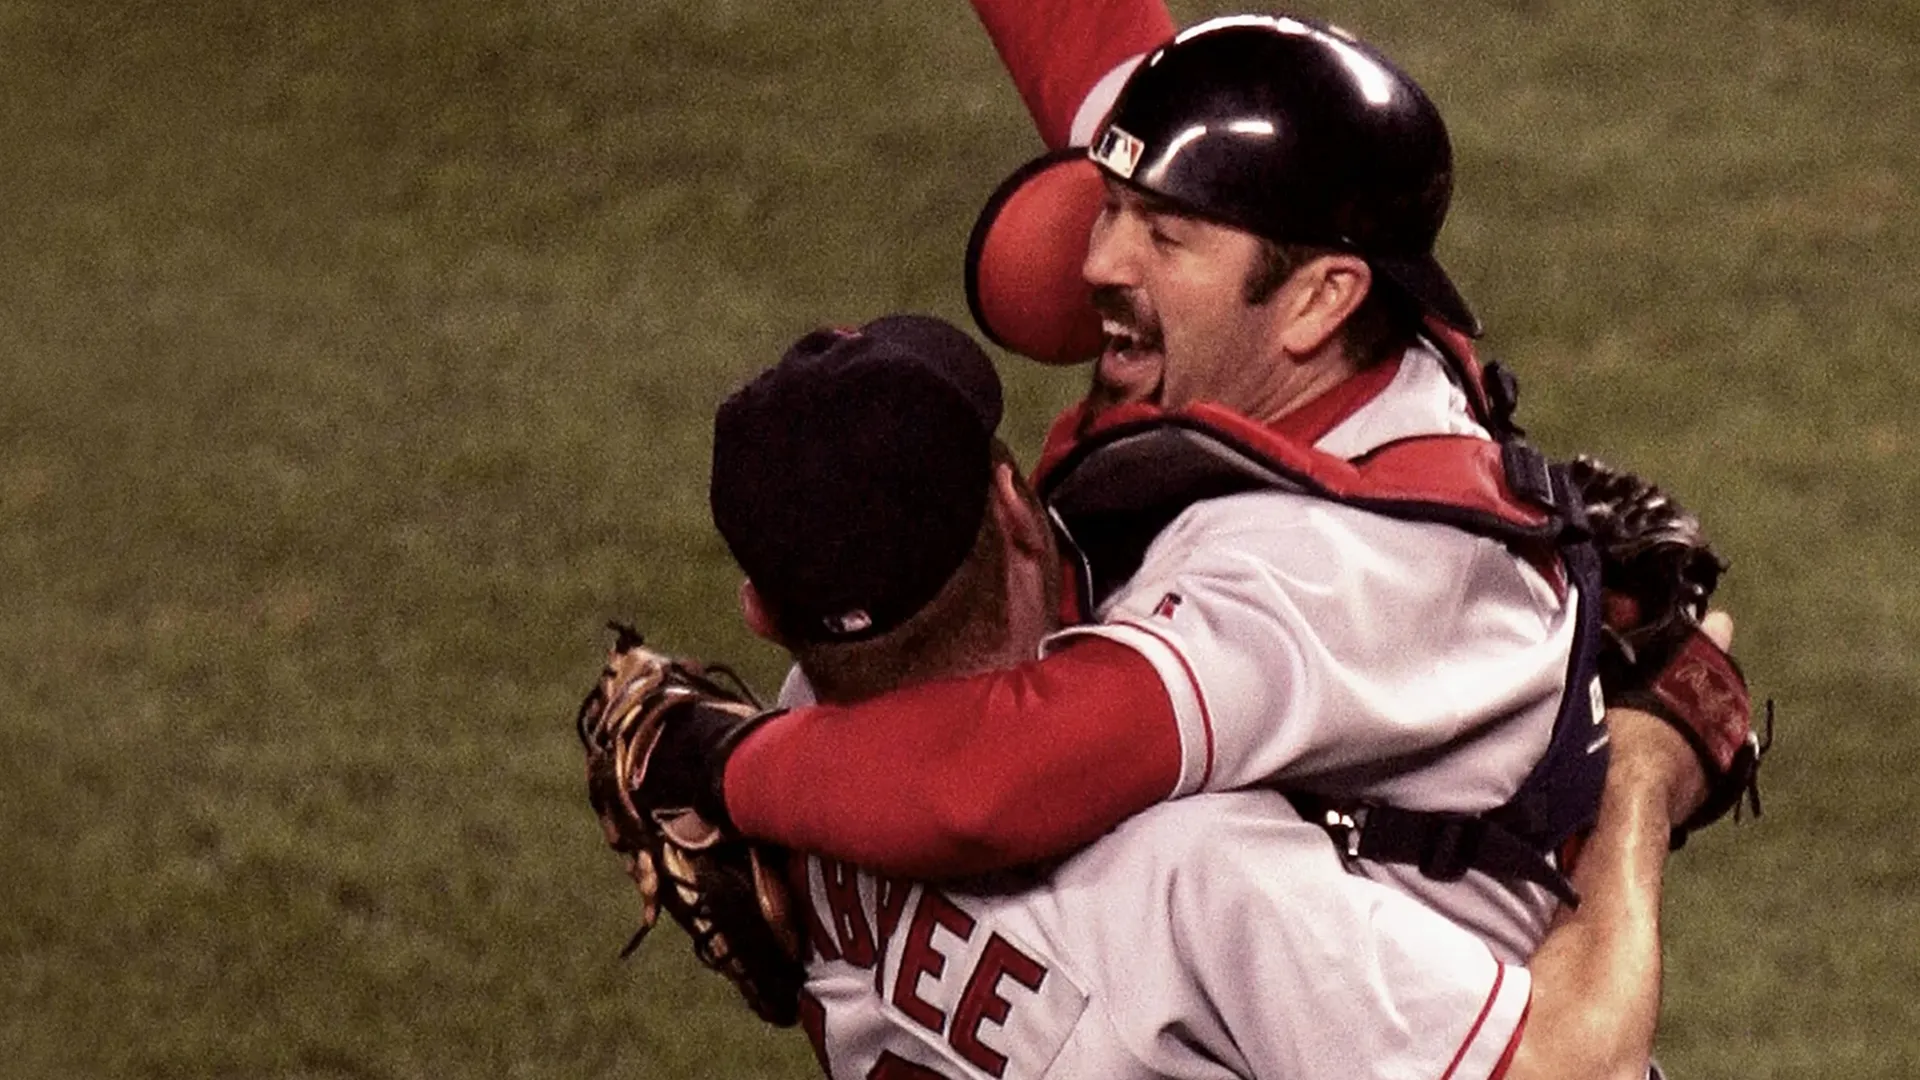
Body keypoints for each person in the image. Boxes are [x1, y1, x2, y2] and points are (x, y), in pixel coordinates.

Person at [661, 13, 1631, 968]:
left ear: (1319, 298)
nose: (1098, 261)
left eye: (1163, 237)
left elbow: (988, 787)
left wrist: (717, 759)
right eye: (1112, 207)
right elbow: (1086, 40)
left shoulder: (1331, 578)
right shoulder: (1334, 324)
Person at [706, 313, 1712, 1080]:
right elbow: (1571, 1067)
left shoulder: (807, 772)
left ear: (759, 610)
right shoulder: (1198, 869)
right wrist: (1645, 764)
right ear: (1014, 508)